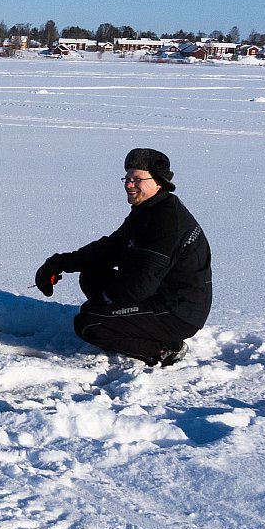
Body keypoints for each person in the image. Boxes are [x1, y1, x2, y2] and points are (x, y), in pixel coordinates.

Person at [34, 148, 211, 366]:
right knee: (92, 275)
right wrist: (59, 263)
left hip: (177, 311)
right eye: (127, 178)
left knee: (90, 325)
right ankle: (122, 322)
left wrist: (106, 304)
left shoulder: (165, 221)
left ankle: (165, 349)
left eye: (137, 179)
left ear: (158, 182)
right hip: (158, 294)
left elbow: (142, 282)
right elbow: (111, 249)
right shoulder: (148, 210)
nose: (129, 185)